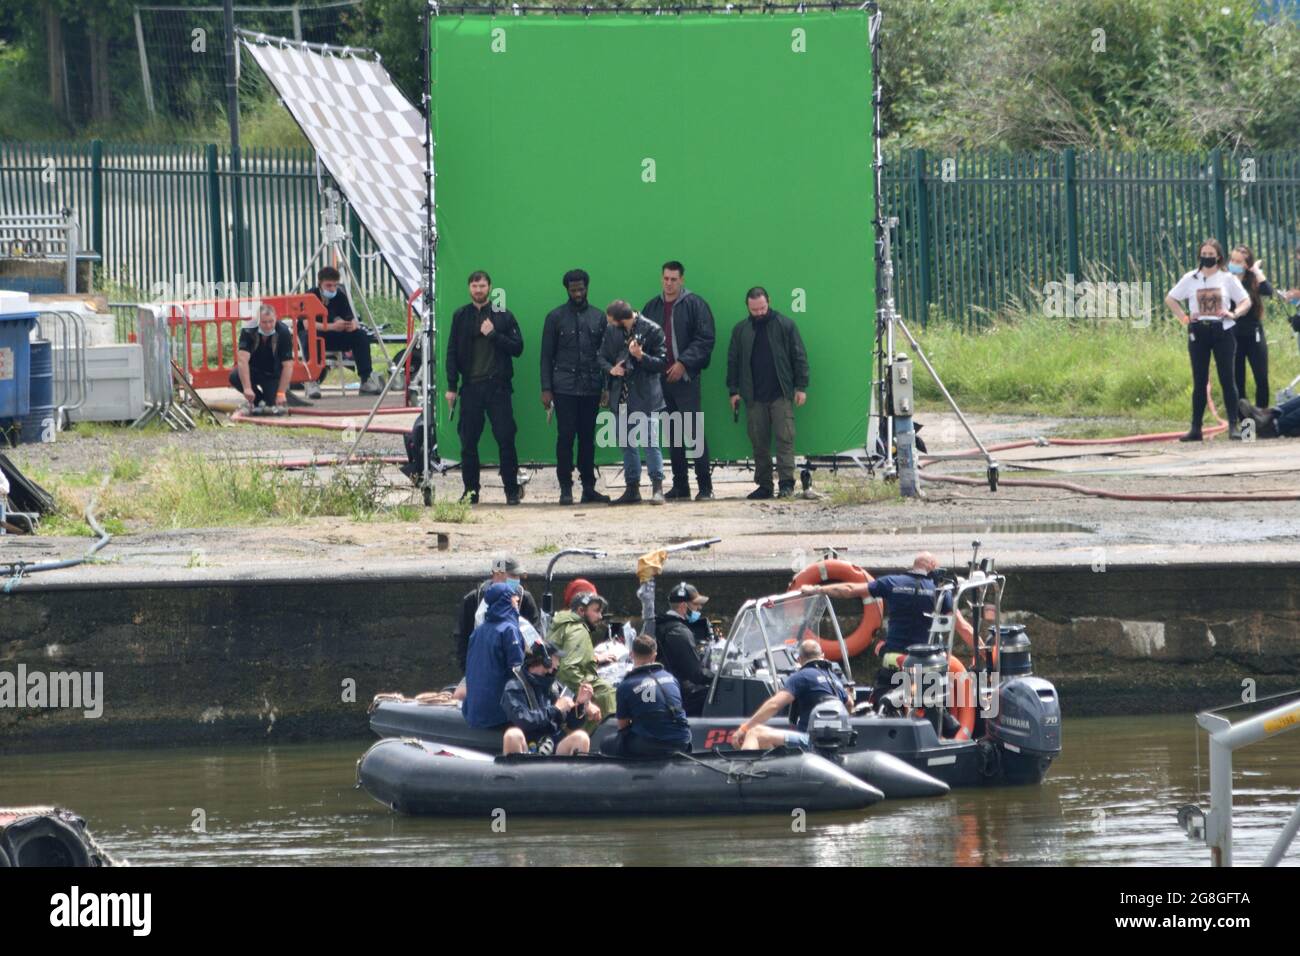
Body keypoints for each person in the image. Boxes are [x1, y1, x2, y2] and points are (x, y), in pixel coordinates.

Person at [799, 552, 974, 698]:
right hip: (924, 664)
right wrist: (984, 650)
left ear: (915, 566)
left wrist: (817, 589)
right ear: (933, 567)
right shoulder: (940, 592)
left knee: (881, 701)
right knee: (931, 706)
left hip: (893, 662)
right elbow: (963, 628)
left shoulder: (891, 582)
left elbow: (850, 589)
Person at [444, 271, 524, 505]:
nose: (478, 290)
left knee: (506, 438)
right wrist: (451, 386)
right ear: (469, 288)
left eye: (482, 285)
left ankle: (511, 489)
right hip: (470, 387)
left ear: (490, 287)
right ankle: (471, 492)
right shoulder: (461, 316)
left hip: (498, 387)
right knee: (468, 441)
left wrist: (494, 334)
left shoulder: (503, 315)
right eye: (474, 286)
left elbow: (518, 348)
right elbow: (451, 352)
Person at [641, 261, 716, 501]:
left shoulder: (695, 304)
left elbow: (705, 339)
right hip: (660, 382)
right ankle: (680, 485)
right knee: (672, 435)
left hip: (686, 380)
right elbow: (642, 339)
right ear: (661, 278)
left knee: (694, 434)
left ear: (682, 279)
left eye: (674, 279)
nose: (669, 283)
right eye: (665, 278)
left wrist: (683, 363)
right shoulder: (652, 307)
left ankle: (706, 488)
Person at [726, 287, 809, 499]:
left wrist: (801, 387)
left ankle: (786, 484)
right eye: (754, 310)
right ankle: (764, 485)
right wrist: (733, 391)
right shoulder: (741, 330)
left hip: (781, 393)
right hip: (753, 396)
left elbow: (799, 356)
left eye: (762, 308)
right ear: (748, 307)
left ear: (769, 302)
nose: (759, 313)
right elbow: (733, 362)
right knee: (758, 442)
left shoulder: (785, 325)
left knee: (785, 439)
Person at [1165, 240, 1250, 441]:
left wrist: (1233, 313)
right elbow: (1170, 299)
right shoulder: (1190, 278)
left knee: (1228, 379)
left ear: (1218, 256)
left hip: (1222, 330)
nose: (1207, 256)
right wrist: (1184, 318)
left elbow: (1245, 301)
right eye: (1204, 252)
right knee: (1199, 380)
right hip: (1199, 331)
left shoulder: (1227, 278)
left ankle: (1234, 426)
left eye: (1211, 253)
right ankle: (1196, 428)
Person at [540, 269, 610, 505]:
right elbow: (546, 356)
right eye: (573, 290)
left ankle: (588, 487)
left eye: (581, 289)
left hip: (591, 387)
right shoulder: (555, 317)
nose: (578, 293)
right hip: (564, 388)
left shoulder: (599, 317)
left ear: (587, 288)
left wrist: (606, 388)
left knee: (588, 439)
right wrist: (546, 388)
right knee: (566, 437)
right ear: (567, 290)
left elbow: (605, 355)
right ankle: (565, 488)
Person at [599, 299, 668, 505]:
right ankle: (632, 488)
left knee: (650, 442)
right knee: (626, 443)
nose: (610, 324)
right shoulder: (612, 332)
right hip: (621, 394)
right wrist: (611, 369)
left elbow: (662, 363)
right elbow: (600, 356)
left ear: (622, 320)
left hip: (645, 395)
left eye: (612, 321)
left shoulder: (652, 330)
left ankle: (657, 487)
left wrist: (641, 356)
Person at [734, 639, 852, 750]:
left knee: (755, 732)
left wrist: (745, 728)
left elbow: (774, 705)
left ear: (799, 659)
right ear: (822, 656)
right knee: (764, 741)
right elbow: (849, 703)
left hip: (809, 741)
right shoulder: (835, 679)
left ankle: (741, 770)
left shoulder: (802, 677)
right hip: (834, 743)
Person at [600, 635, 693, 757]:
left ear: (631, 654)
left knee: (605, 744)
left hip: (651, 745)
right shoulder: (671, 679)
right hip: (683, 741)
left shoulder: (626, 685)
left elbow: (623, 727)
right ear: (654, 655)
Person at [500, 641, 593, 756]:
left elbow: (572, 723)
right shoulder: (514, 687)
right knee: (512, 734)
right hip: (526, 745)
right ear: (546, 660)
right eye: (556, 658)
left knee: (581, 737)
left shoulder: (555, 685)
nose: (558, 663)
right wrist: (555, 709)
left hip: (553, 743)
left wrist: (580, 704)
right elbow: (522, 720)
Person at [303, 266, 383, 398]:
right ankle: (313, 381)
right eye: (328, 285)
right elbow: (307, 325)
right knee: (311, 336)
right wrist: (332, 326)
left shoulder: (340, 296)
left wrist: (351, 325)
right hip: (317, 335)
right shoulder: (310, 296)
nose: (332, 289)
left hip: (336, 336)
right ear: (319, 284)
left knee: (360, 335)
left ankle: (366, 379)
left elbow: (351, 318)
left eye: (335, 285)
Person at [456, 555, 540, 674]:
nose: (517, 580)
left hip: (518, 670)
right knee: (459, 693)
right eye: (513, 575)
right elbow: (462, 638)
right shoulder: (473, 599)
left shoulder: (525, 599)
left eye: (518, 576)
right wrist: (468, 670)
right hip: (480, 667)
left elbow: (535, 635)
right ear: (497, 573)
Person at [547, 590, 617, 732]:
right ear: (581, 610)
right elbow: (568, 669)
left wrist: (595, 659)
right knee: (607, 692)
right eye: (596, 611)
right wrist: (586, 701)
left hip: (555, 689)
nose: (600, 616)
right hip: (569, 693)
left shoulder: (564, 624)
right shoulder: (578, 630)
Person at [463, 582, 528, 730]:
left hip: (473, 711)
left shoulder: (478, 631)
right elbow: (517, 672)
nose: (517, 600)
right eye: (514, 598)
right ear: (506, 600)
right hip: (497, 713)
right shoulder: (509, 630)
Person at [652, 582, 715, 716]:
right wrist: (717, 677)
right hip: (681, 693)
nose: (699, 608)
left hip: (666, 687)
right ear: (683, 606)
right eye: (696, 605)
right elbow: (696, 674)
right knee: (717, 694)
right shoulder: (679, 632)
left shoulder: (661, 624)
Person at [1227, 245, 1274, 411]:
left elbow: (1268, 290)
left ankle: (1262, 417)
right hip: (1234, 336)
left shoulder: (1252, 280)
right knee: (1238, 380)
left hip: (1254, 335)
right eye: (1232, 260)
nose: (1233, 263)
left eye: (1238, 261)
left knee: (1261, 377)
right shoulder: (1226, 280)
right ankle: (1246, 423)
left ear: (1246, 264)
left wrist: (1256, 271)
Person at [230, 304, 294, 410]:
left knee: (273, 404)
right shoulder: (248, 329)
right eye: (264, 322)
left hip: (272, 373)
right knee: (234, 376)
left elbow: (288, 365)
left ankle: (270, 400)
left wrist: (281, 393)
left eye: (271, 322)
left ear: (276, 319)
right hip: (253, 370)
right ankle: (257, 400)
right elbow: (242, 360)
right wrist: (247, 388)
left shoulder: (283, 332)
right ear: (258, 321)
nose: (268, 326)